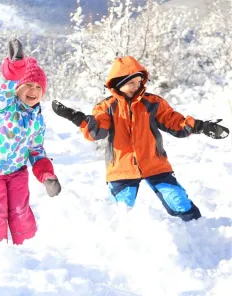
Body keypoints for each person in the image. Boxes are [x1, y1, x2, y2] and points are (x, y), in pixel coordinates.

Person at [52, 56, 229, 222]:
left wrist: (201, 126)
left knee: (178, 200)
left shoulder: (152, 103)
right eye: (131, 83)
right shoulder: (106, 107)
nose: (136, 86)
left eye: (139, 82)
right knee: (121, 211)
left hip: (155, 164)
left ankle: (198, 230)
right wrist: (77, 118)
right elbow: (97, 131)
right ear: (118, 84)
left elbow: (174, 121)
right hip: (121, 168)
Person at [0, 39, 61, 254]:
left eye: (39, 87)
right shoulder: (5, 106)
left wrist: (47, 175)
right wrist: (16, 67)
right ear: (17, 88)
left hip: (17, 172)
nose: (33, 90)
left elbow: (37, 151)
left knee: (21, 213)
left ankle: (28, 253)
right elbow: (6, 85)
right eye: (28, 85)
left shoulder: (38, 119)